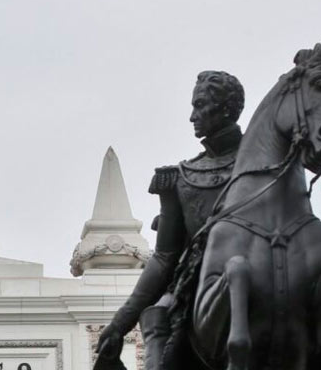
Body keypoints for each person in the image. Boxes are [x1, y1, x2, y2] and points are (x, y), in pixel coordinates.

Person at [94, 71, 245, 370]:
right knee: (158, 314)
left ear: (226, 108)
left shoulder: (263, 164)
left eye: (200, 106)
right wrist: (120, 323)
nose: (192, 116)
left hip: (267, 270)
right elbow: (164, 257)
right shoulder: (180, 177)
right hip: (197, 282)